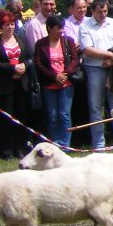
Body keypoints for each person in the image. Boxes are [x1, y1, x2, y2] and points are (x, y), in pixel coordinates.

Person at [80, 0, 113, 149]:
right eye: (100, 12)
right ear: (92, 11)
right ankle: (99, 145)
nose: (103, 14)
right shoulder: (85, 26)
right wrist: (110, 55)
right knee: (96, 107)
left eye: (105, 11)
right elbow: (87, 50)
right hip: (94, 69)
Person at [33, 14, 78, 150]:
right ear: (49, 28)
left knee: (64, 114)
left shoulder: (68, 41)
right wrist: (54, 76)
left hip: (66, 84)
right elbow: (38, 63)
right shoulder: (41, 44)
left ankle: (65, 145)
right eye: (58, 28)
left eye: (62, 28)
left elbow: (75, 59)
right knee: (52, 116)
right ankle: (54, 143)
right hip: (49, 85)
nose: (61, 31)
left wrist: (65, 74)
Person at [0, 9, 33, 158]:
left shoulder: (21, 39)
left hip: (22, 85)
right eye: (7, 25)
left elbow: (30, 57)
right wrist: (12, 68)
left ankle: (20, 148)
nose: (10, 27)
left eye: (12, 24)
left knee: (22, 117)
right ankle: (6, 150)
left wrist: (25, 65)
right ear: (1, 27)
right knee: (6, 119)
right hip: (5, 87)